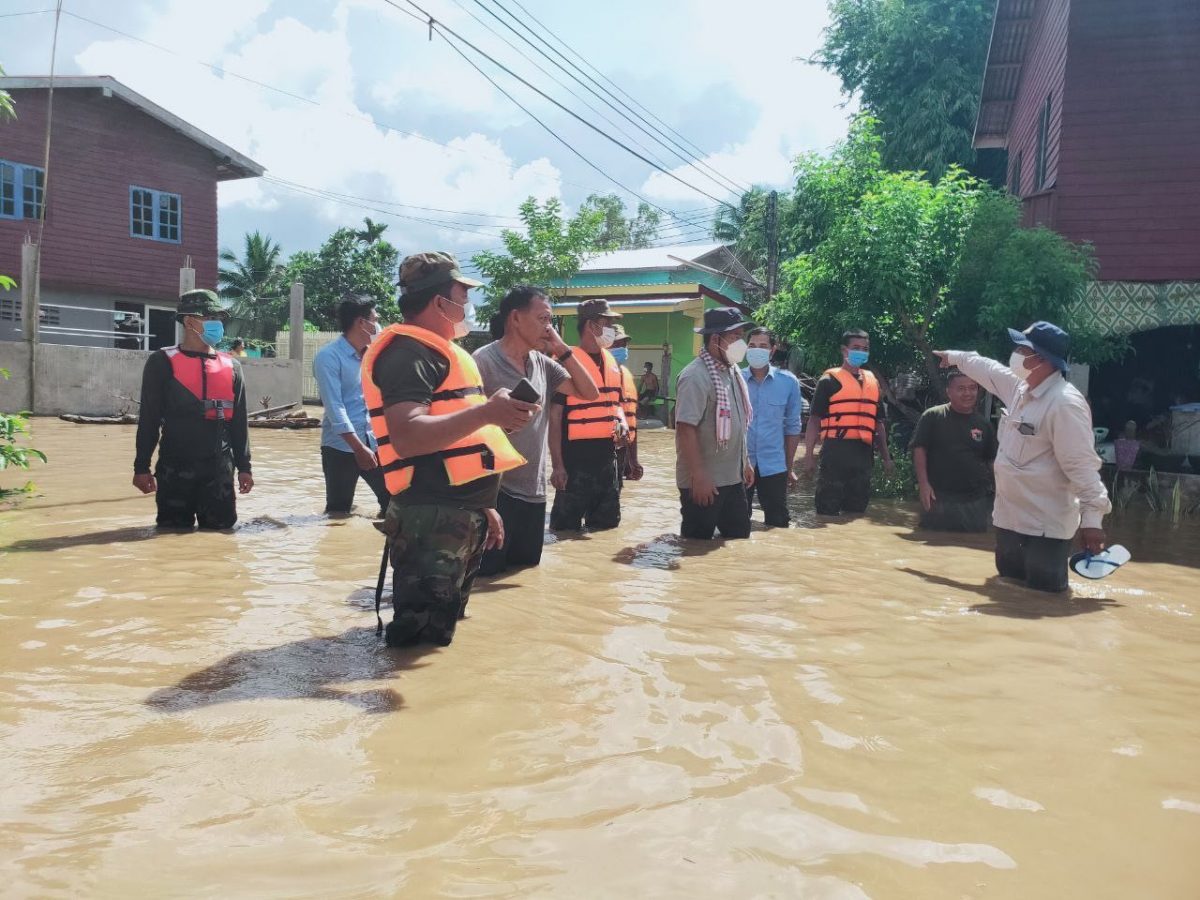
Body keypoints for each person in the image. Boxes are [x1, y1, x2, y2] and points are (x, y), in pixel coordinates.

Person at [362, 252, 536, 647]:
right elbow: (408, 436)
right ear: (441, 302)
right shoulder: (409, 353)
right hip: (432, 518)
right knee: (420, 643)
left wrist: (483, 504)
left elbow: (455, 434)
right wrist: (490, 412)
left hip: (457, 513)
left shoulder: (441, 351)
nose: (467, 306)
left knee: (439, 638)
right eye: (463, 296)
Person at [935, 321, 1112, 592]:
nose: (1016, 354)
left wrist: (1091, 522)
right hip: (1009, 521)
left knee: (1044, 600)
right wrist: (956, 358)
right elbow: (989, 370)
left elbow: (1082, 467)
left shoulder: (1064, 403)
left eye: (1022, 349)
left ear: (1040, 359)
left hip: (1045, 529)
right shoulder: (1020, 389)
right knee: (1008, 591)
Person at [473, 285, 599, 576]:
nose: (548, 327)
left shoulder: (543, 363)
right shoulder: (482, 361)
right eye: (543, 319)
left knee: (526, 575)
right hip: (496, 492)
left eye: (550, 320)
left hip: (534, 491)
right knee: (486, 578)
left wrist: (562, 349)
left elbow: (589, 392)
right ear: (515, 318)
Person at [132, 289, 253, 529]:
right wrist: (141, 467)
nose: (217, 324)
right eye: (209, 317)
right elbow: (149, 419)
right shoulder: (162, 362)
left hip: (219, 472)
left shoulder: (232, 367)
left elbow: (239, 423)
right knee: (170, 539)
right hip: (175, 471)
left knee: (221, 544)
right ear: (189, 321)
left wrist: (245, 468)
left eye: (219, 318)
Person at [548, 299, 629, 532]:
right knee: (564, 530)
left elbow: (616, 404)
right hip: (574, 461)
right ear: (592, 326)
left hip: (606, 458)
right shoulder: (564, 364)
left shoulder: (612, 361)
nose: (612, 329)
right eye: (608, 323)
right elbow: (554, 418)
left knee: (607, 528)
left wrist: (622, 423)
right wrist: (557, 466)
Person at [675, 307, 755, 540]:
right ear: (715, 339)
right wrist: (698, 475)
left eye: (742, 336)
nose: (741, 343)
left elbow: (738, 422)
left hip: (733, 477)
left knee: (738, 538)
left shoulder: (733, 373)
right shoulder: (695, 376)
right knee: (696, 547)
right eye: (735, 337)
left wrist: (746, 462)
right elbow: (685, 429)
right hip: (704, 482)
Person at [313, 295, 390, 517]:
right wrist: (358, 448)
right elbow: (335, 407)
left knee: (393, 503)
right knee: (338, 512)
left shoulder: (373, 356)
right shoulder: (328, 357)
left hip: (373, 442)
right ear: (361, 322)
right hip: (341, 447)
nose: (377, 325)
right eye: (375, 319)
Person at [803, 329, 894, 516]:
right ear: (844, 350)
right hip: (835, 452)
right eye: (856, 348)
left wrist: (886, 458)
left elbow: (878, 425)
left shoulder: (872, 382)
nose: (861, 352)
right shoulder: (828, 381)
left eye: (865, 348)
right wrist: (809, 455)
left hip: (863, 455)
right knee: (827, 511)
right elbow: (814, 420)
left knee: (857, 511)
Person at [910, 368, 997, 532]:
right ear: (948, 392)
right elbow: (919, 449)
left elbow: (991, 460)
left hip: (974, 501)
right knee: (932, 545)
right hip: (938, 498)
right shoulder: (933, 416)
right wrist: (923, 484)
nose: (968, 393)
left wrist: (1001, 495)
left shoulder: (984, 424)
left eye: (972, 388)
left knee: (972, 546)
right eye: (961, 389)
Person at [742, 328, 803, 527]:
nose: (756, 350)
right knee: (736, 523)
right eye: (752, 346)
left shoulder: (789, 382)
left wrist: (789, 466)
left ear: (773, 350)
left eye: (763, 346)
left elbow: (792, 428)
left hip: (774, 464)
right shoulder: (734, 379)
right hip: (740, 464)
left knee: (778, 523)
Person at [611, 324, 644, 485]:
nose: (622, 348)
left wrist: (633, 460)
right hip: (600, 453)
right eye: (616, 344)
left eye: (624, 344)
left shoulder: (627, 376)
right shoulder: (594, 375)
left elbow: (631, 421)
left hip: (621, 453)